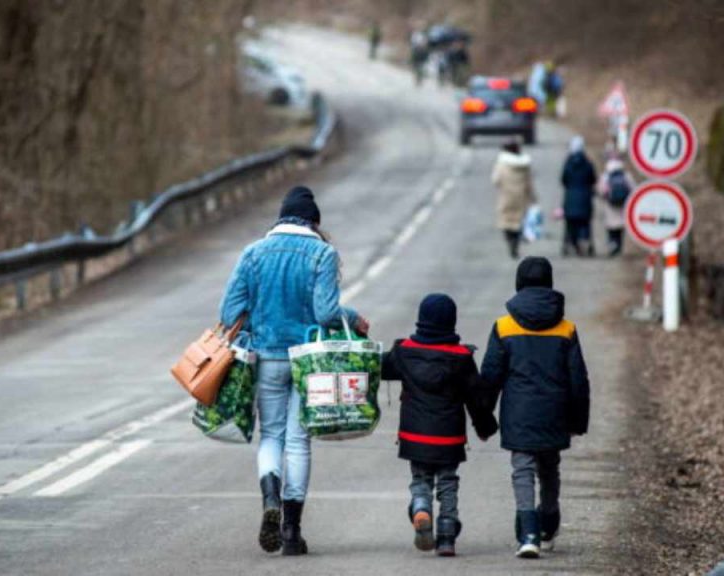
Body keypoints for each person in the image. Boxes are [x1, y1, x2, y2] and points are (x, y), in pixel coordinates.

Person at [220, 186, 370, 556]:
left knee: (270, 436)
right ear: (314, 222)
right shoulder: (322, 253)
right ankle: (291, 532)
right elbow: (326, 314)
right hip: (309, 361)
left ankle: (269, 497)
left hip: (267, 357)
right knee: (299, 440)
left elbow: (228, 314)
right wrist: (353, 318)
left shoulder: (252, 254)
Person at [479, 257, 591, 559]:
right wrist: (578, 420)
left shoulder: (504, 326)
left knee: (523, 469)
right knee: (549, 466)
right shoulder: (566, 329)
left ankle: (527, 532)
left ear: (519, 283)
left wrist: (483, 418)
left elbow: (490, 376)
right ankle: (549, 522)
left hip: (519, 412)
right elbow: (578, 379)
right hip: (555, 411)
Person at [381, 294, 498, 557]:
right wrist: (485, 427)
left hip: (414, 436)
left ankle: (421, 507)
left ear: (421, 320)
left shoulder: (404, 352)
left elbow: (379, 367)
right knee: (448, 482)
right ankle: (446, 535)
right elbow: (476, 400)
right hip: (449, 438)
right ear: (452, 322)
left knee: (420, 478)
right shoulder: (461, 357)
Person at [492, 140, 536, 259]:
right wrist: (533, 198)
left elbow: (495, 180)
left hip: (506, 198)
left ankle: (510, 241)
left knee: (507, 222)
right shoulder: (525, 165)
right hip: (521, 198)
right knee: (519, 223)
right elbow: (529, 183)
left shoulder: (501, 164)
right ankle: (515, 244)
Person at [560, 136, 598, 257]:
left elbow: (563, 180)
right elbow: (593, 179)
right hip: (585, 198)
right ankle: (585, 243)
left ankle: (571, 243)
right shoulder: (588, 164)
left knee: (570, 223)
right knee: (585, 223)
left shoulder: (568, 163)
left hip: (570, 198)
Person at [596, 157, 635, 257]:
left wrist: (605, 197)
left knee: (611, 228)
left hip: (610, 206)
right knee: (620, 228)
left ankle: (612, 244)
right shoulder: (626, 176)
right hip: (623, 206)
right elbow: (633, 189)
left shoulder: (606, 176)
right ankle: (619, 246)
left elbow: (601, 191)